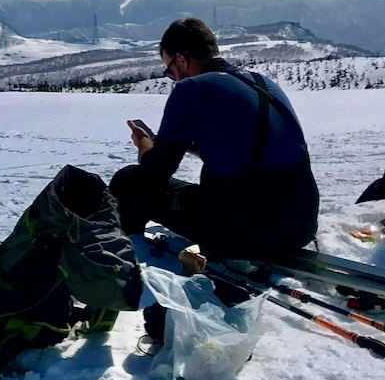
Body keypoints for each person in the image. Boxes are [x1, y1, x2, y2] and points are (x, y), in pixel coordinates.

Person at [109, 18, 319, 259]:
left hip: (246, 234)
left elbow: (156, 172)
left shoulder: (192, 88)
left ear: (181, 59)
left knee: (129, 181)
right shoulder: (262, 82)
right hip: (301, 226)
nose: (173, 77)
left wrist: (145, 147)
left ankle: (126, 261)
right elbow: (251, 149)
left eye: (169, 70)